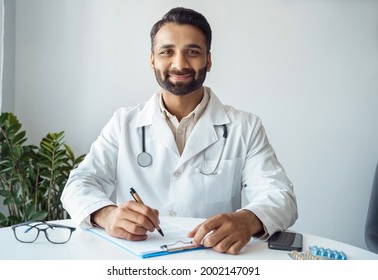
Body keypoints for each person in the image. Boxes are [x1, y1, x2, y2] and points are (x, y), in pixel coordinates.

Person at [61, 7, 298, 255]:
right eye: (167, 52)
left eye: (192, 52)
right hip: (136, 261)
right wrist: (106, 214)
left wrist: (248, 220)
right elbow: (79, 183)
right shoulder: (124, 123)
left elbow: (281, 196)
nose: (179, 63)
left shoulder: (245, 127)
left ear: (208, 60)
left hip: (211, 261)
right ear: (152, 59)